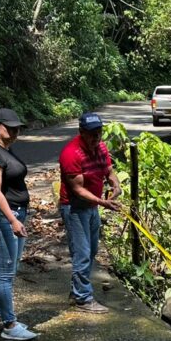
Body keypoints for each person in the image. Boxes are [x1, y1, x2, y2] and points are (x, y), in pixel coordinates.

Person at [0, 108, 37, 341]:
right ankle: (10, 326)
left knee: (10, 271)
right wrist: (12, 220)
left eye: (17, 129)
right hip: (3, 216)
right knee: (5, 274)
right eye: (10, 128)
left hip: (15, 214)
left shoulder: (6, 149)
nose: (14, 132)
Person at [58, 111, 121, 313]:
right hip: (75, 207)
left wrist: (115, 185)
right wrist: (102, 202)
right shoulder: (71, 154)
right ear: (81, 132)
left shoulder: (101, 147)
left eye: (99, 132)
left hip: (92, 206)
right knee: (82, 253)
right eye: (92, 133)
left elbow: (109, 171)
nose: (97, 137)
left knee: (92, 250)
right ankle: (83, 299)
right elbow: (77, 189)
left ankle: (77, 291)